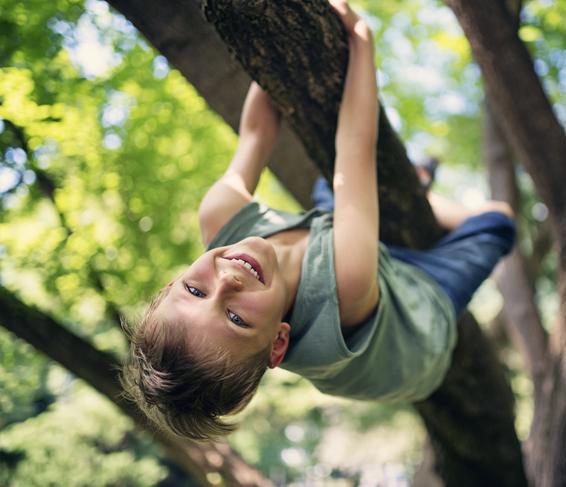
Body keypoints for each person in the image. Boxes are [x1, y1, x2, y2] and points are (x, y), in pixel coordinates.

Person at [120, 0, 515, 441]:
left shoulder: (220, 217)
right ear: (278, 343)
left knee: (332, 191)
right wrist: (361, 40)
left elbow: (256, 133)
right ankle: (421, 195)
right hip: (416, 325)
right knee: (498, 221)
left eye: (194, 290)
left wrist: (268, 50)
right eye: (235, 319)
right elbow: (355, 145)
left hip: (352, 251)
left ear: (171, 283)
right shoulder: (343, 284)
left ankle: (404, 191)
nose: (225, 283)